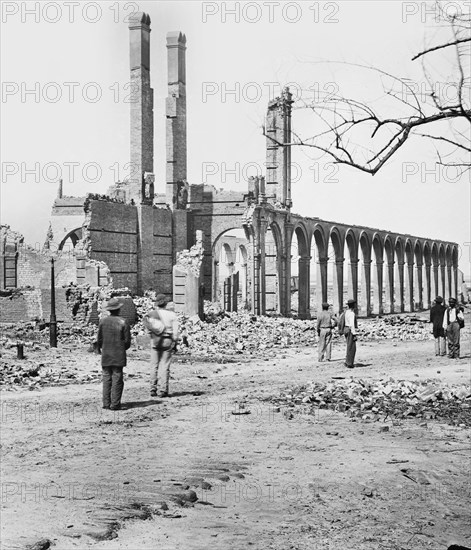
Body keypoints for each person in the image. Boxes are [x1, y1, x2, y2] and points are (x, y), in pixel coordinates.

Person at [97, 297, 131, 411]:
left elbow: (99, 340)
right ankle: (115, 404)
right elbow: (127, 342)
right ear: (118, 309)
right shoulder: (124, 322)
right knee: (117, 378)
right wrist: (121, 348)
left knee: (106, 378)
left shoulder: (102, 321)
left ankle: (106, 403)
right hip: (118, 354)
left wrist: (104, 347)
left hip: (106, 354)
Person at [145, 294, 179, 398]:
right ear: (166, 303)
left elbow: (148, 330)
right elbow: (176, 333)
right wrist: (175, 343)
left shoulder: (151, 314)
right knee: (165, 365)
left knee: (154, 365)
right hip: (167, 341)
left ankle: (152, 388)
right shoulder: (172, 315)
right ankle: (163, 390)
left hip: (155, 341)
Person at [344, 299, 358, 368]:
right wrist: (354, 334)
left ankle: (347, 361)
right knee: (352, 347)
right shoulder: (352, 313)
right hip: (350, 330)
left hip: (346, 329)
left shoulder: (347, 312)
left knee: (349, 346)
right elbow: (352, 324)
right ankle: (349, 363)